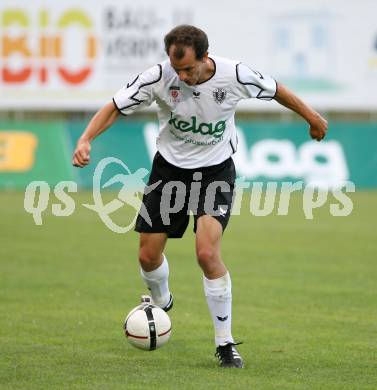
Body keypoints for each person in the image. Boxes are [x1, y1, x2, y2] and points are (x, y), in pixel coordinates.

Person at [72, 25, 328, 368]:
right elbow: (116, 105)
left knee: (207, 253)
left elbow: (276, 89)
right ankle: (162, 302)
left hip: (215, 172)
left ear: (205, 58)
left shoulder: (234, 75)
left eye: (189, 69)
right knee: (148, 256)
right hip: (169, 172)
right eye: (177, 69)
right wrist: (86, 138)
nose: (182, 76)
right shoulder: (159, 77)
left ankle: (225, 343)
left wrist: (311, 117)